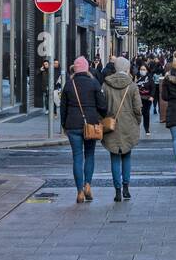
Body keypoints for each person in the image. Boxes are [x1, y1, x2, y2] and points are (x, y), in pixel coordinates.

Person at [61, 57, 108, 204]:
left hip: (73, 125)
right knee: (90, 155)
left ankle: (79, 192)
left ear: (74, 69)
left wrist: (64, 125)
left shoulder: (69, 85)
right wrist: (100, 116)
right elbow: (103, 106)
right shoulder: (94, 83)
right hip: (91, 124)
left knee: (77, 157)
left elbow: (63, 108)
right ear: (87, 68)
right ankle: (88, 185)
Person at [102, 57, 143, 202]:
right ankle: (126, 188)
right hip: (128, 124)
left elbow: (102, 106)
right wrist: (137, 121)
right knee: (126, 156)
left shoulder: (106, 84)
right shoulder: (132, 85)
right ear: (126, 68)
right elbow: (137, 108)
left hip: (112, 124)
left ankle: (117, 190)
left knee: (114, 157)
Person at [136, 64, 154, 135]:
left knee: (146, 113)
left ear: (147, 70)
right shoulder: (137, 77)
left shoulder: (149, 78)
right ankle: (136, 128)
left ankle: (147, 128)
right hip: (138, 98)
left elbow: (153, 88)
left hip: (147, 98)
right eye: (141, 69)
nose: (142, 71)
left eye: (144, 69)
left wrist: (152, 96)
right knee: (138, 113)